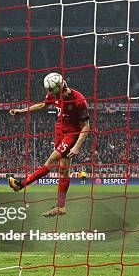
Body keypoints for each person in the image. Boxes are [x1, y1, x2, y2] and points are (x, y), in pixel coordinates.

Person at [8, 73, 90, 217]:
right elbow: (42, 104)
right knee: (63, 171)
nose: (57, 97)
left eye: (58, 94)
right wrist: (22, 111)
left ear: (63, 86)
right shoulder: (54, 93)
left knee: (51, 161)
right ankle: (60, 207)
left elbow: (86, 126)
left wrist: (77, 146)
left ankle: (21, 185)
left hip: (71, 135)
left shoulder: (79, 100)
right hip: (59, 132)